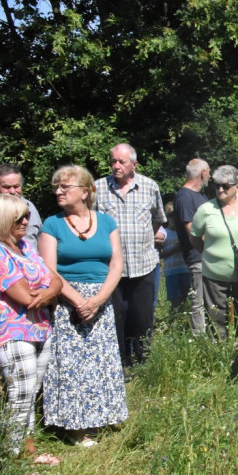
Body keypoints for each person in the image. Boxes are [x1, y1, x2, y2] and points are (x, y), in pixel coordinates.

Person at [39, 165, 128, 448]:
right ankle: (74, 427)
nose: (58, 191)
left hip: (101, 301)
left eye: (65, 187)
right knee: (73, 365)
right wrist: (79, 301)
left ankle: (101, 417)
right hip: (68, 303)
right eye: (57, 187)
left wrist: (99, 300)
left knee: (101, 363)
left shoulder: (106, 222)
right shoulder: (51, 224)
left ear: (86, 191)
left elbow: (116, 263)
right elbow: (49, 270)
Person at [0, 193, 62, 463]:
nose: (27, 220)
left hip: (39, 328)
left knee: (30, 392)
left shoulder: (24, 247)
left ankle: (28, 451)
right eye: (20, 217)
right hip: (13, 332)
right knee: (20, 393)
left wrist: (49, 290)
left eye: (27, 215)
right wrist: (48, 292)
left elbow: (55, 279)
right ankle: (11, 458)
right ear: (2, 219)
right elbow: (24, 296)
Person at [94, 143, 166, 366]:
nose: (116, 166)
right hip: (111, 268)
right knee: (117, 316)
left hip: (143, 264)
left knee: (143, 316)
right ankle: (121, 363)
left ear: (134, 164)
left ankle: (144, 362)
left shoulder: (149, 186)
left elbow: (158, 219)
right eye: (113, 161)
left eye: (121, 162)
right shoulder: (98, 188)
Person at [189, 165, 238, 374]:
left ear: (237, 187)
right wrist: (210, 254)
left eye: (225, 186)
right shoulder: (206, 210)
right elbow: (194, 237)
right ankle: (220, 362)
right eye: (216, 185)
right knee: (217, 319)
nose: (220, 190)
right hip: (214, 275)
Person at [173, 158, 211, 334]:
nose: (209, 177)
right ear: (203, 173)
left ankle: (214, 335)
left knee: (212, 299)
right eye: (209, 173)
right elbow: (191, 230)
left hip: (210, 256)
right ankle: (200, 338)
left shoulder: (201, 196)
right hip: (198, 257)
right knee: (199, 300)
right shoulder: (184, 197)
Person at [0, 163, 43, 254]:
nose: (12, 191)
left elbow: (40, 241)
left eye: (16, 186)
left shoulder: (30, 207)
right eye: (6, 187)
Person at [161, 203, 191, 309]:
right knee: (175, 301)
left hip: (185, 270)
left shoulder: (183, 233)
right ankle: (173, 322)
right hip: (171, 272)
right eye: (171, 216)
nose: (174, 219)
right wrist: (174, 249)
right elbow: (160, 255)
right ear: (167, 217)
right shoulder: (164, 233)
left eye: (176, 216)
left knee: (187, 300)